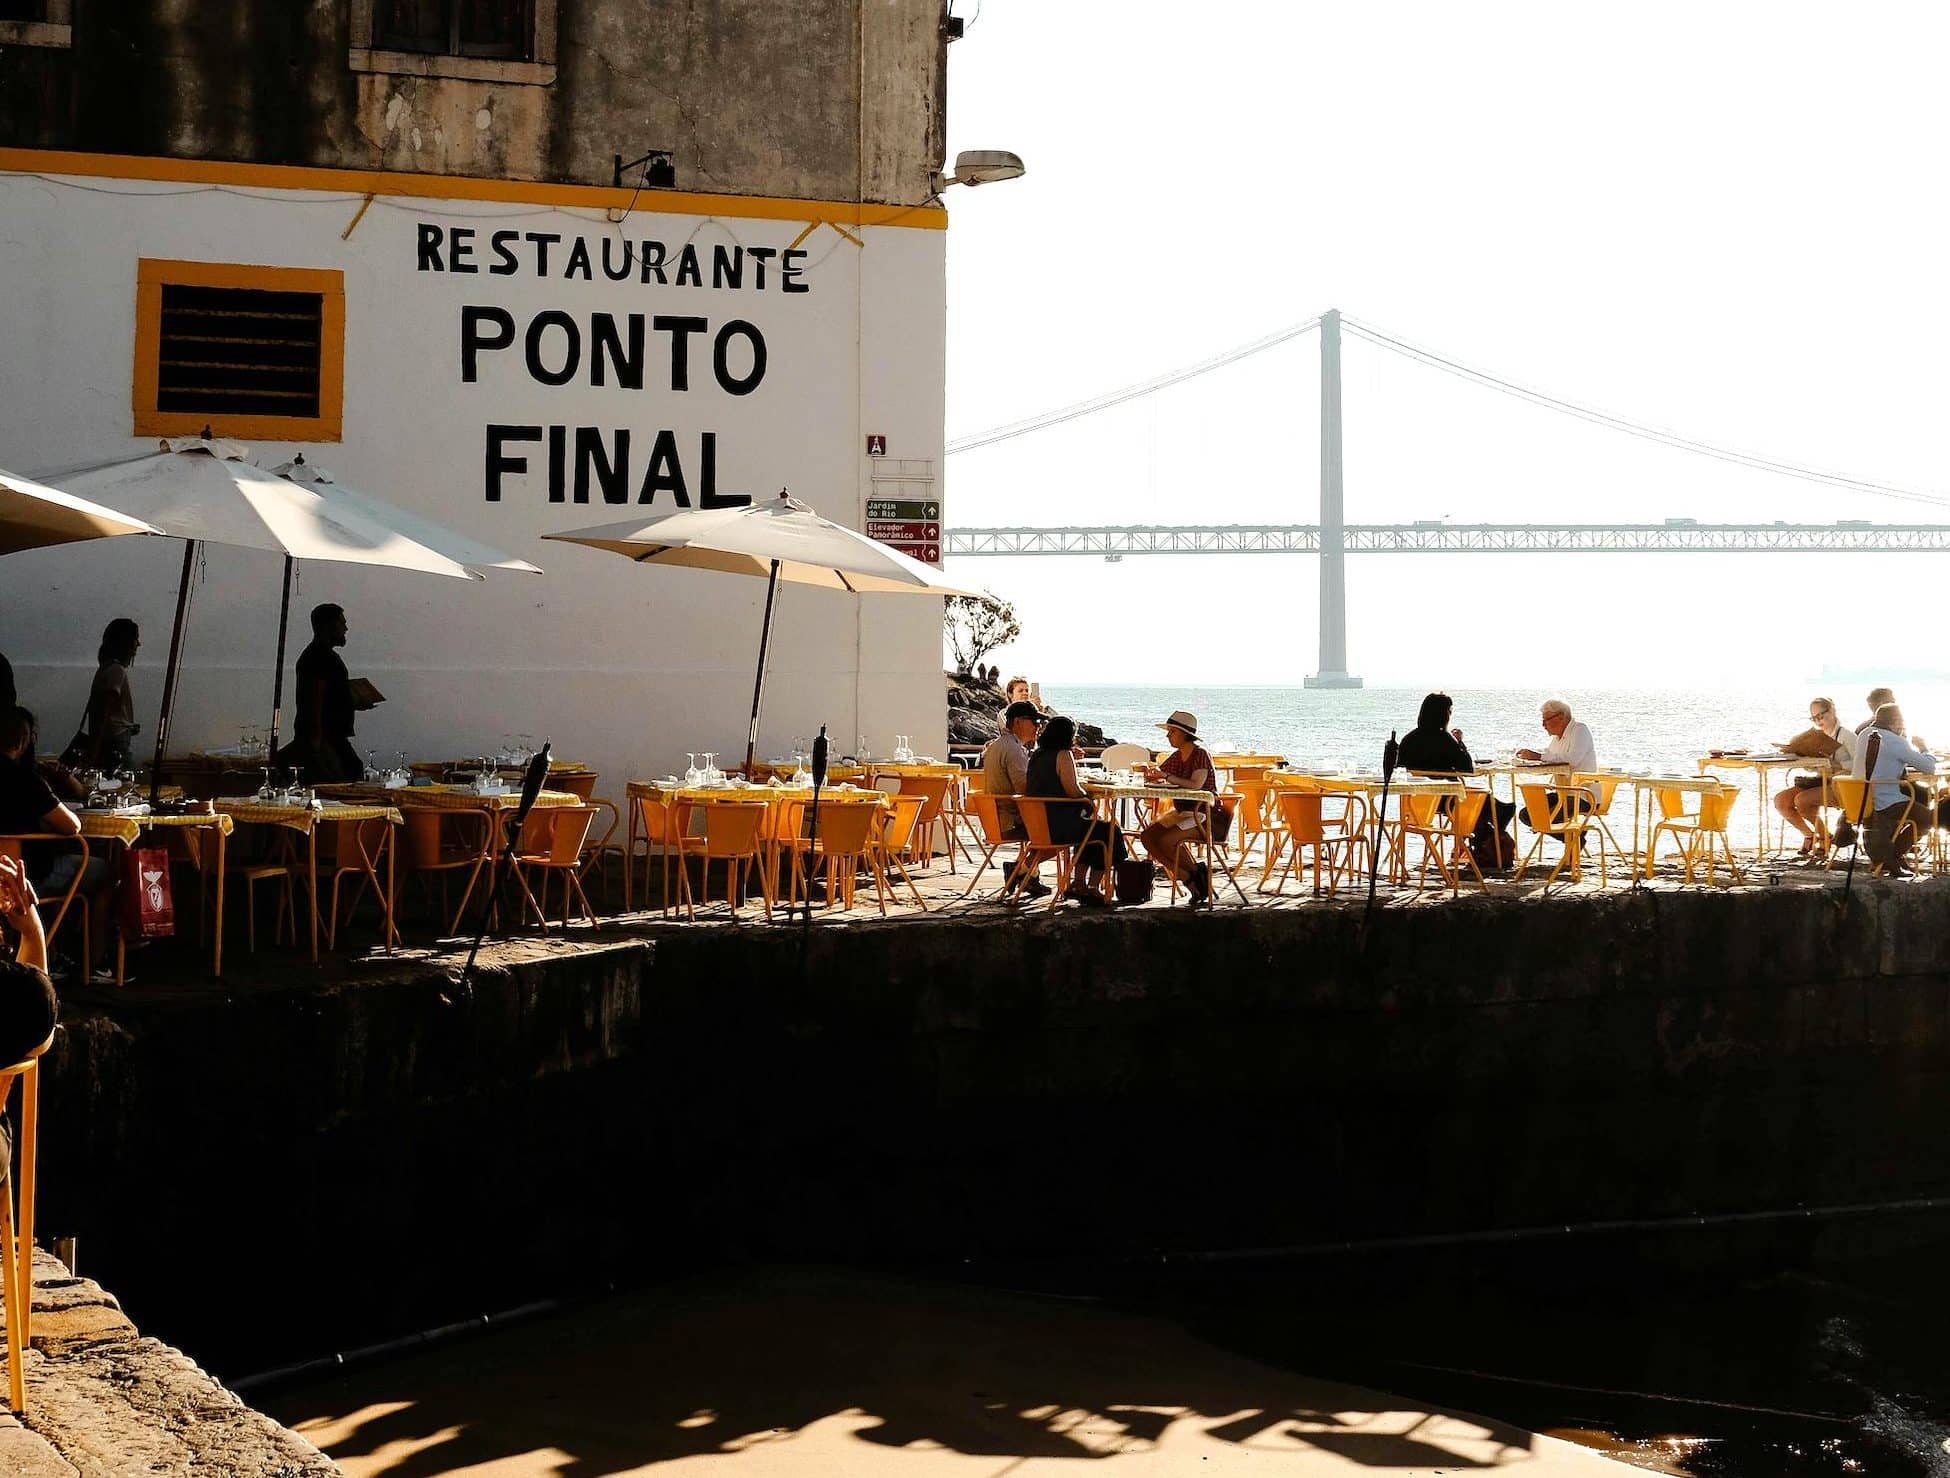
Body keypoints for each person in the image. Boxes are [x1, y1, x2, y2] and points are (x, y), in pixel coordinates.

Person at [0, 708, 110, 976]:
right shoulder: (26, 779)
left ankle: (53, 949)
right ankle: (97, 964)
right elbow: (73, 826)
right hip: (25, 877)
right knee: (103, 871)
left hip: (4, 872)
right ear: (24, 740)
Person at [1024, 714, 1124, 905]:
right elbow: (1072, 790)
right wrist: (1087, 799)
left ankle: (1079, 883)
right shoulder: (1063, 754)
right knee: (1109, 831)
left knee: (1092, 829)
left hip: (1039, 823)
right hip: (1059, 824)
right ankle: (1090, 886)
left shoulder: (1037, 754)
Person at [1139, 709, 1218, 905]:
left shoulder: (1200, 755)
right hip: (1182, 811)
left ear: (1185, 734)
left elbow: (1195, 785)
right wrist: (1150, 773)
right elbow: (1159, 773)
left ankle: (1195, 880)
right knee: (1147, 837)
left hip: (1204, 814)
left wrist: (1164, 776)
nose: (1168, 736)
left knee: (1166, 841)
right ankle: (1189, 876)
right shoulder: (1176, 756)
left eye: (1172, 731)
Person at [289, 603, 373, 783]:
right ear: (328, 626)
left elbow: (328, 698)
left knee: (352, 770)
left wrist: (353, 702)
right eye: (341, 623)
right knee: (344, 778)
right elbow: (315, 701)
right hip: (325, 739)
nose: (346, 628)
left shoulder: (321, 656)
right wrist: (317, 746)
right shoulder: (319, 658)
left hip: (329, 738)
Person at [979, 700, 1049, 900]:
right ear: (1018, 722)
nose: (1038, 726)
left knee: (1050, 827)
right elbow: (1025, 789)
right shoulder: (1013, 750)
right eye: (1035, 721)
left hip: (996, 818)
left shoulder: (999, 745)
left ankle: (1028, 874)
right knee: (1060, 831)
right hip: (1009, 821)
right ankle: (1021, 869)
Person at [1854, 703, 1935, 875]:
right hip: (1885, 801)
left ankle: (1891, 858)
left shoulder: (1863, 735)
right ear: (1896, 721)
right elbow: (1929, 767)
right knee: (1929, 819)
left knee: (1916, 800)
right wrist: (1924, 748)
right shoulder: (1895, 741)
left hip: (1862, 799)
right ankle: (1893, 856)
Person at [1772, 697, 1857, 860]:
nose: (1818, 721)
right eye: (1814, 718)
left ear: (1832, 712)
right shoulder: (1816, 736)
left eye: (1821, 716)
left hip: (1842, 784)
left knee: (1802, 800)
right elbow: (1815, 767)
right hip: (1822, 779)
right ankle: (1812, 835)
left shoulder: (1847, 736)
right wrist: (1806, 758)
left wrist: (1834, 763)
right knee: (1781, 800)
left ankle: (1824, 838)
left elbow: (1862, 764)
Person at [1515, 697, 1599, 824]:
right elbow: (1549, 757)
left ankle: (1575, 839)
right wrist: (1527, 758)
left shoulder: (1580, 730)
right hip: (1563, 794)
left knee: (1547, 819)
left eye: (1546, 720)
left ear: (1561, 717)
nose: (1543, 725)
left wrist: (1538, 756)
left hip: (1584, 795)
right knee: (1526, 814)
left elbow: (1572, 760)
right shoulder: (1557, 739)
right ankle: (1576, 838)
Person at [73, 619, 140, 773]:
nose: (138, 644)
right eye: (135, 638)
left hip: (107, 740)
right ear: (126, 642)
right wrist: (94, 750)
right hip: (115, 743)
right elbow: (105, 709)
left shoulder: (105, 668)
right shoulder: (117, 671)